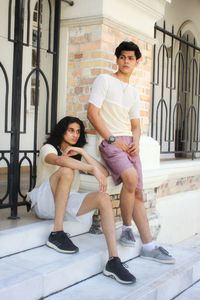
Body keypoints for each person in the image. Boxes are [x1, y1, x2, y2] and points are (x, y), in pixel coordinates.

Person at [87, 41, 175, 264]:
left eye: (130, 58)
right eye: (122, 57)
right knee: (131, 178)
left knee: (137, 192)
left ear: (137, 62)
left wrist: (135, 142)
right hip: (111, 142)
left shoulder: (134, 92)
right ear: (117, 59)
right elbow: (92, 114)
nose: (126, 61)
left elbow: (136, 125)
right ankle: (126, 227)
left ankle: (148, 245)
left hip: (130, 144)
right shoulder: (104, 81)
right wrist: (112, 140)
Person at [27, 116, 136, 284]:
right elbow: (59, 160)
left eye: (78, 131)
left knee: (103, 198)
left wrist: (83, 152)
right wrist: (90, 168)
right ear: (62, 131)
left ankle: (113, 260)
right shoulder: (48, 148)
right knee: (67, 170)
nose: (75, 135)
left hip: (64, 202)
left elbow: (104, 172)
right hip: (43, 202)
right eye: (71, 130)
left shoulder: (76, 154)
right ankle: (56, 233)